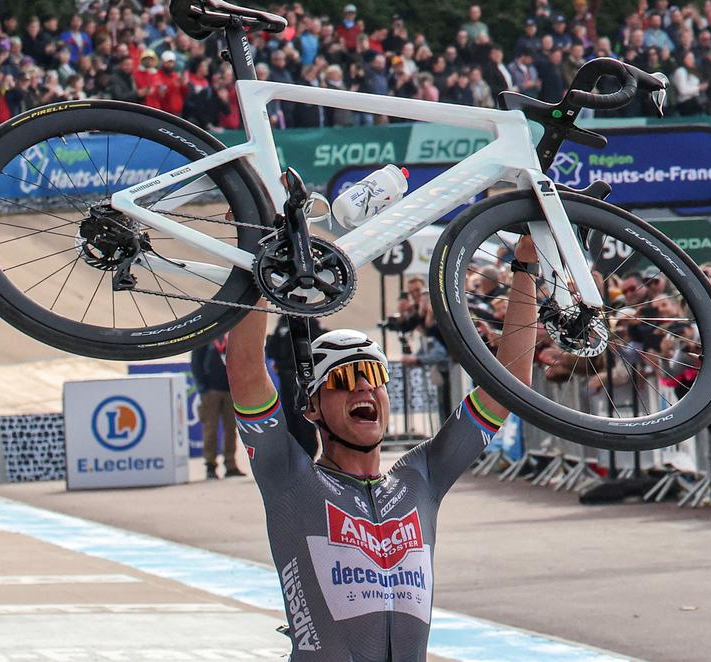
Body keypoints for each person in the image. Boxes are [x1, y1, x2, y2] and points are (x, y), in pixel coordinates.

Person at [225, 237, 540, 660]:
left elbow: (509, 385)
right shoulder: (290, 479)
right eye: (342, 380)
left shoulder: (420, 476)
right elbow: (246, 373)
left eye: (373, 375)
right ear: (312, 409)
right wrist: (256, 257)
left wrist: (526, 269)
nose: (362, 387)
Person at [191, 334, 244, 480]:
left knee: (231, 428)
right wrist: (203, 388)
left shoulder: (231, 334)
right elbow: (196, 362)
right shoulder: (205, 336)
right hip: (211, 390)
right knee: (210, 428)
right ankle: (210, 464)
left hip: (230, 389)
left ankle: (230, 464)